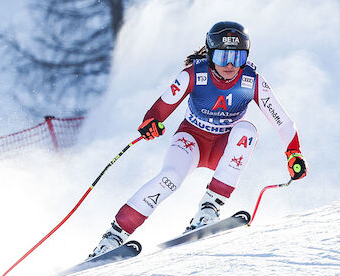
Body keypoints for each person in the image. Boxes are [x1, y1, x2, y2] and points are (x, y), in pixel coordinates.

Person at [89, 21, 307, 258]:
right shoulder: (194, 74)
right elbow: (160, 108)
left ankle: (209, 209)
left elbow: (283, 121)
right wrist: (151, 122)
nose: (231, 65)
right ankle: (112, 238)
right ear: (211, 54)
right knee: (169, 178)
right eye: (223, 58)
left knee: (247, 131)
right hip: (191, 140)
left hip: (224, 146)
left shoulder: (251, 80)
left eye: (238, 58)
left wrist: (293, 152)